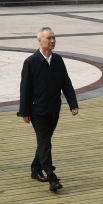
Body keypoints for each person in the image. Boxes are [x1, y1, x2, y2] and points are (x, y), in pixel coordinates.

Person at [18, 27, 79, 193]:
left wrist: (73, 103)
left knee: (44, 141)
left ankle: (35, 168)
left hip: (54, 109)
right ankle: (52, 177)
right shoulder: (31, 62)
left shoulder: (58, 60)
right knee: (45, 142)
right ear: (40, 41)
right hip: (37, 110)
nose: (52, 41)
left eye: (54, 38)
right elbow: (25, 88)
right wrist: (24, 111)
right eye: (48, 38)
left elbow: (65, 82)